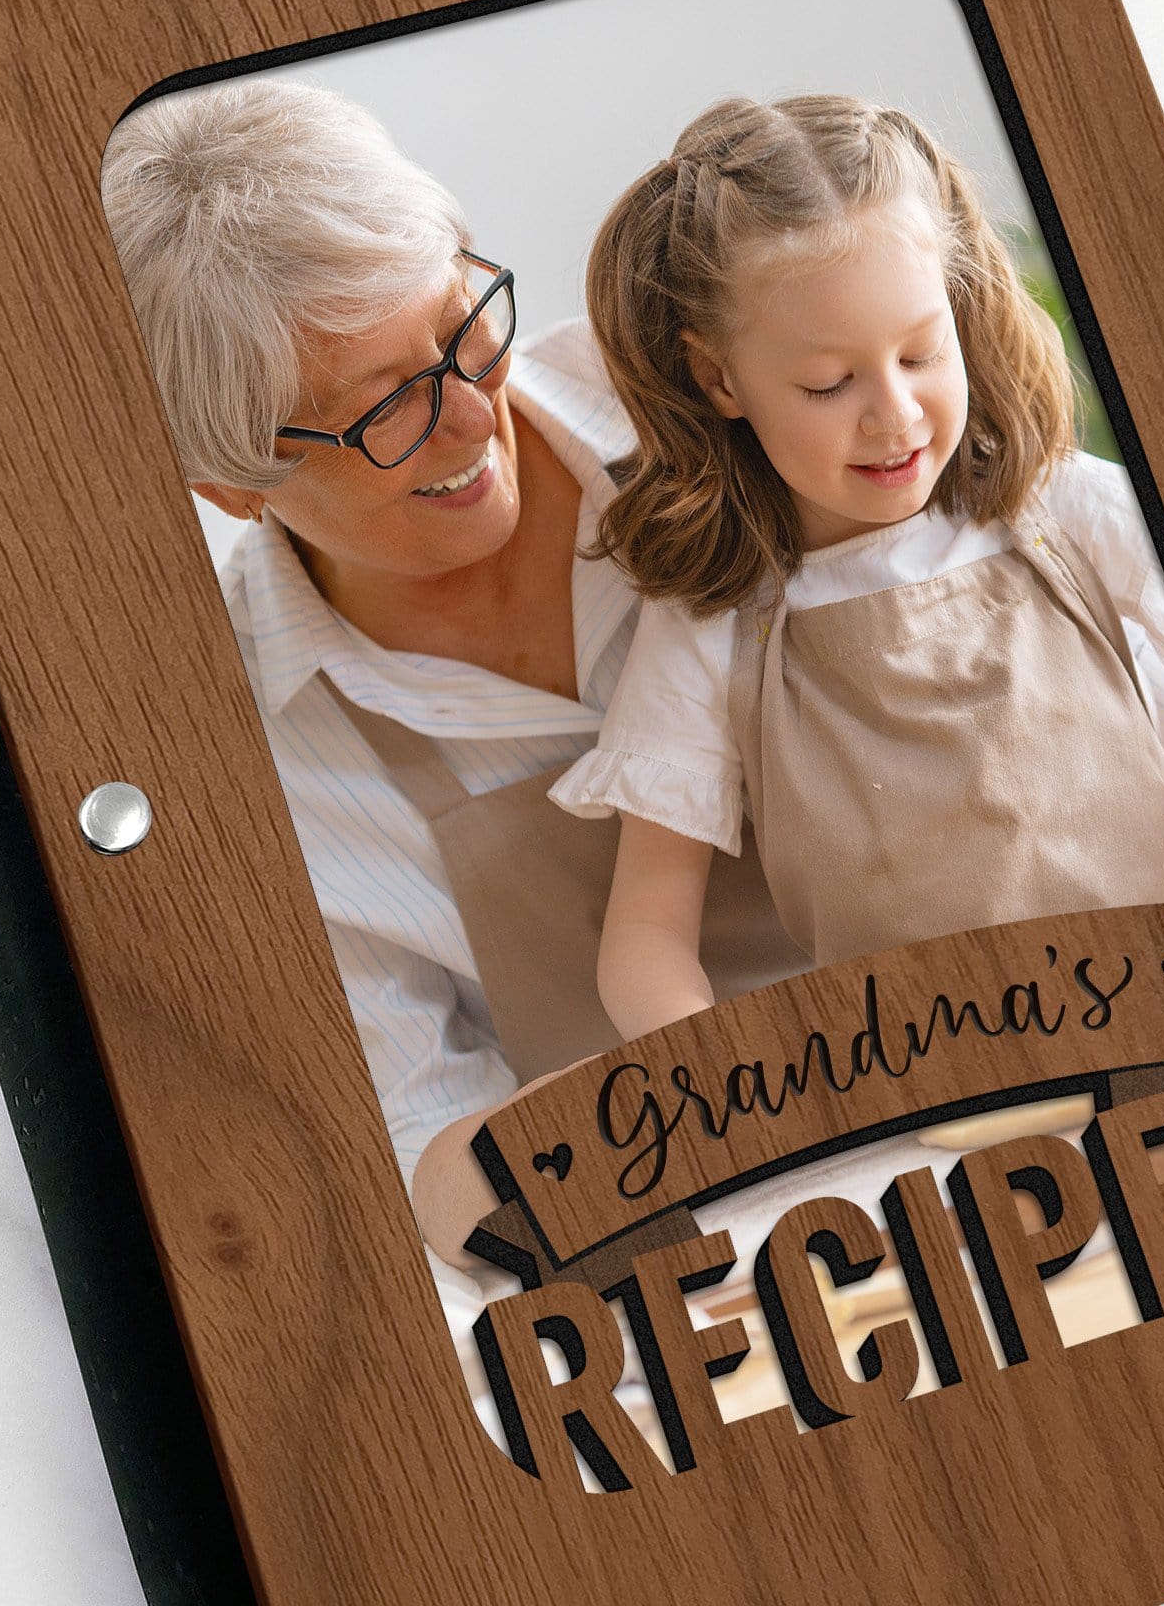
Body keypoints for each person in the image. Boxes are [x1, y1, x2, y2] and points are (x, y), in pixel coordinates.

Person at [99, 81, 805, 1278]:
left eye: (463, 325)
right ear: (229, 481)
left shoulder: (728, 405)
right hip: (695, 1260)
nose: (475, 415)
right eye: (384, 411)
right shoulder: (244, 758)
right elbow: (414, 1128)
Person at [551, 94, 1164, 1038]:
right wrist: (713, 1075)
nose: (895, 416)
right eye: (830, 384)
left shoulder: (1066, 511)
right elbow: (646, 938)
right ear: (717, 380)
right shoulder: (719, 627)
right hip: (936, 1117)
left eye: (922, 352)